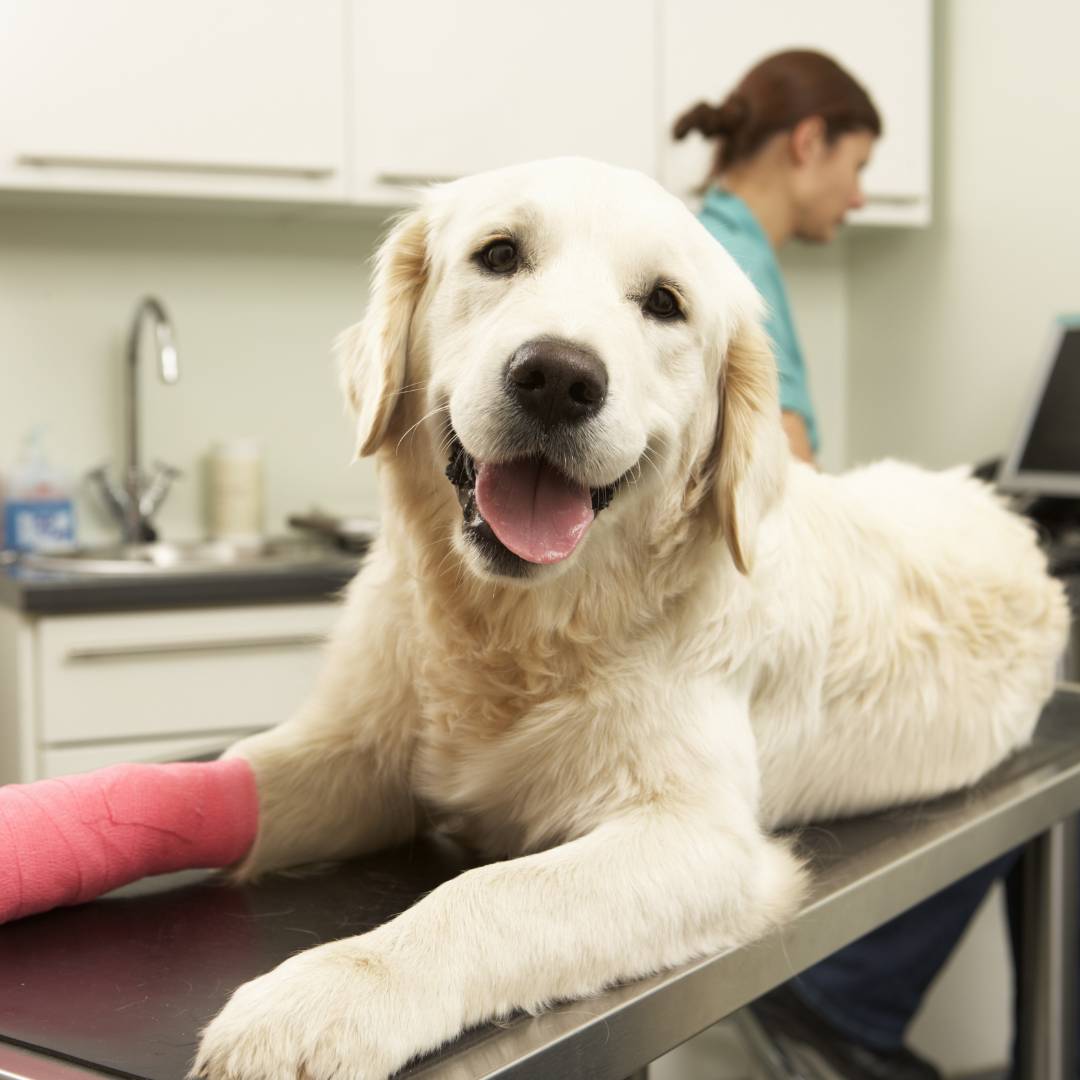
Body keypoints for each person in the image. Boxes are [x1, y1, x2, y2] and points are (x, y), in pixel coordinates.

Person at [672, 50, 1024, 1080]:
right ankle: (844, 997)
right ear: (807, 142)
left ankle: (851, 998)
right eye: (855, 163)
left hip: (729, 639)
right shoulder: (726, 262)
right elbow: (778, 487)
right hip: (730, 655)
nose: (861, 194)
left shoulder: (717, 248)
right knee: (996, 737)